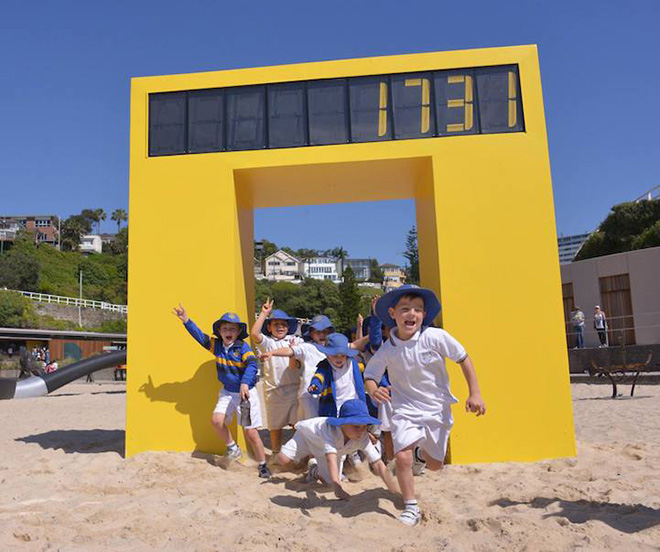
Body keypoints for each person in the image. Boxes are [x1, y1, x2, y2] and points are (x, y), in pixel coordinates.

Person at [364, 284, 486, 526]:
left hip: (436, 409)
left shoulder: (435, 337)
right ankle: (411, 506)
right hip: (404, 409)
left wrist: (475, 393)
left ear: (424, 315)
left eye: (418, 310)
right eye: (405, 309)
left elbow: (463, 358)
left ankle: (422, 454)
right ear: (392, 314)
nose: (412, 314)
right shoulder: (388, 348)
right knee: (402, 458)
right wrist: (373, 390)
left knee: (435, 465)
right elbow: (370, 374)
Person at [173, 304, 271, 478]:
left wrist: (245, 383)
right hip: (227, 392)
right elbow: (200, 336)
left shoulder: (243, 348)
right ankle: (233, 448)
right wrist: (186, 320)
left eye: (232, 328)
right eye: (225, 328)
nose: (228, 331)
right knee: (216, 420)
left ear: (238, 332)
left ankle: (263, 464)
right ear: (219, 331)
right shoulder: (216, 346)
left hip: (245, 394)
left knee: (250, 432)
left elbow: (252, 364)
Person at [277, 399, 399, 500]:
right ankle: (300, 459)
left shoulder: (363, 437)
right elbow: (331, 459)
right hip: (307, 439)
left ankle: (313, 468)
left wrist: (391, 486)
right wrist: (339, 490)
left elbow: (377, 463)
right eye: (356, 427)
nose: (361, 431)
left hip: (334, 452)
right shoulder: (330, 432)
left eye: (364, 426)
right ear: (342, 424)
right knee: (283, 460)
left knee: (330, 483)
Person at [250, 299, 302, 457]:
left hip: (295, 388)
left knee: (297, 424)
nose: (280, 327)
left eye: (283, 324)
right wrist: (264, 314)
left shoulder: (295, 340)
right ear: (269, 327)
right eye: (276, 324)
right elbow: (254, 334)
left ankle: (296, 454)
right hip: (274, 390)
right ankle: (275, 453)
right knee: (275, 425)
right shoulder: (268, 343)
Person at [259, 314, 334, 421]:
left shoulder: (334, 348)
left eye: (325, 331)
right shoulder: (307, 347)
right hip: (309, 394)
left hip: (329, 392)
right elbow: (290, 351)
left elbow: (354, 346)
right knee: (311, 426)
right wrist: (272, 352)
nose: (322, 335)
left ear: (330, 333)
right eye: (318, 332)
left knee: (328, 424)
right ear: (311, 334)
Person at [307, 333, 368, 417]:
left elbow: (368, 372)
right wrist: (315, 385)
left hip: (354, 404)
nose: (339, 359)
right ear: (327, 355)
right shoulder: (325, 366)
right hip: (334, 408)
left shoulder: (353, 364)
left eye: (342, 355)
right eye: (335, 355)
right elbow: (319, 377)